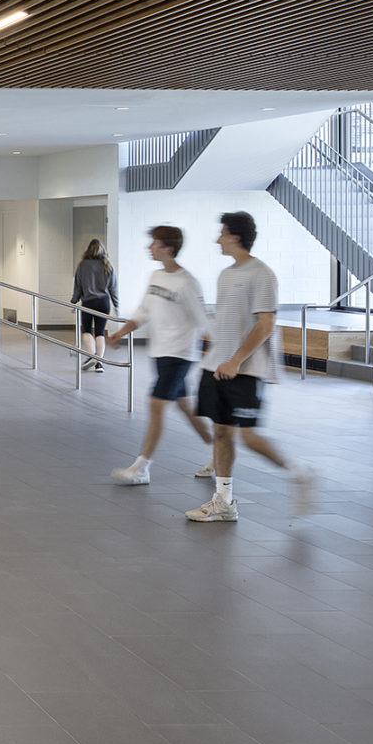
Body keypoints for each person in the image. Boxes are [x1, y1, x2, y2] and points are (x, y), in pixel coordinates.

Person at [186, 212, 316, 522]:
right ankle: (224, 500)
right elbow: (229, 320)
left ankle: (299, 474)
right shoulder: (226, 274)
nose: (217, 239)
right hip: (217, 365)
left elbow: (266, 323)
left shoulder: (262, 274)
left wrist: (236, 360)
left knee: (248, 437)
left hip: (245, 369)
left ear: (234, 236)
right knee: (220, 433)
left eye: (222, 233)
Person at [105, 227, 215, 484]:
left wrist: (221, 354)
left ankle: (142, 467)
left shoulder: (188, 283)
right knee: (186, 407)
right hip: (160, 354)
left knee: (156, 405)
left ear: (168, 248)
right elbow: (144, 311)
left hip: (180, 356)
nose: (149, 247)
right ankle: (219, 450)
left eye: (154, 243)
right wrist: (120, 333)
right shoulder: (156, 276)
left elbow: (203, 321)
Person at [72, 238, 116, 371]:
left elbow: (78, 286)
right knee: (100, 332)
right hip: (103, 302)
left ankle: (92, 356)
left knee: (86, 330)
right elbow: (113, 287)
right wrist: (116, 304)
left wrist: (74, 301)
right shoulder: (107, 264)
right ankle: (99, 363)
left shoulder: (83, 265)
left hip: (88, 302)